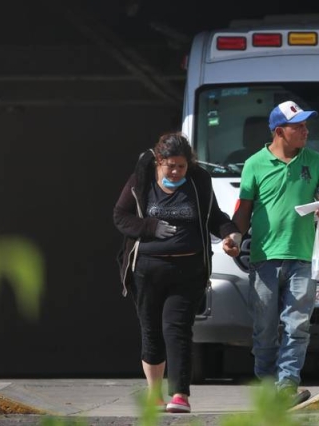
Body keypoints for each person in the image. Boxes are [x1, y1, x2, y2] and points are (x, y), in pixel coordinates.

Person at [113, 131, 242, 414]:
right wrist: (150, 227)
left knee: (178, 329)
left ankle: (180, 394)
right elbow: (121, 217)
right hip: (147, 270)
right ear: (159, 160)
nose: (175, 171)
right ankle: (154, 394)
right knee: (151, 330)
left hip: (188, 270)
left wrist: (232, 234)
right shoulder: (141, 179)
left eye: (181, 166)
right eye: (170, 165)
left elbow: (214, 217)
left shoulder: (199, 181)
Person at [232, 100, 319, 405]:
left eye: (306, 124)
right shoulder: (254, 164)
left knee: (297, 324)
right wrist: (234, 237)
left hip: (304, 257)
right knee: (264, 328)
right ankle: (267, 385)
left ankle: (287, 385)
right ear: (280, 131)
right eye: (299, 126)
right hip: (264, 259)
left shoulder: (316, 162)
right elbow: (244, 210)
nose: (306, 130)